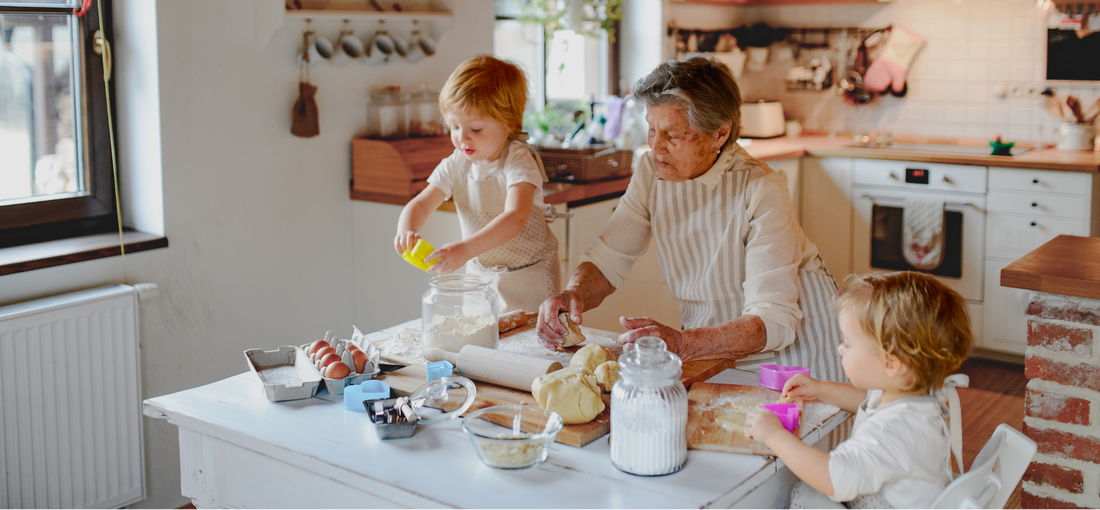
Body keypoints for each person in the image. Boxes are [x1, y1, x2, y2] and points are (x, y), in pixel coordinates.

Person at [536, 55, 843, 382]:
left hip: (793, 355)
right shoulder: (651, 172)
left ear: (720, 133)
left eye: (673, 136)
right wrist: (575, 294)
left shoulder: (762, 188)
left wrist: (682, 342)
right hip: (709, 347)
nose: (656, 148)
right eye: (652, 130)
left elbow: (775, 320)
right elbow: (609, 259)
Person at [745, 271, 973, 510]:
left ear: (890, 364)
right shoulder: (910, 397)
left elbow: (833, 479)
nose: (841, 349)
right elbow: (867, 400)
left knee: (809, 495)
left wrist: (774, 436)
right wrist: (820, 389)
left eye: (849, 343)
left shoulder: (892, 431)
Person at [394, 55, 559, 314]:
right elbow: (422, 204)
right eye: (455, 126)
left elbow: (515, 217)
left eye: (476, 129)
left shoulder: (518, 160)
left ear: (508, 123)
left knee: (529, 348)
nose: (462, 138)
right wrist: (406, 230)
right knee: (482, 342)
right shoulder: (457, 162)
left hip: (529, 277)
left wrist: (464, 249)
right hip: (480, 276)